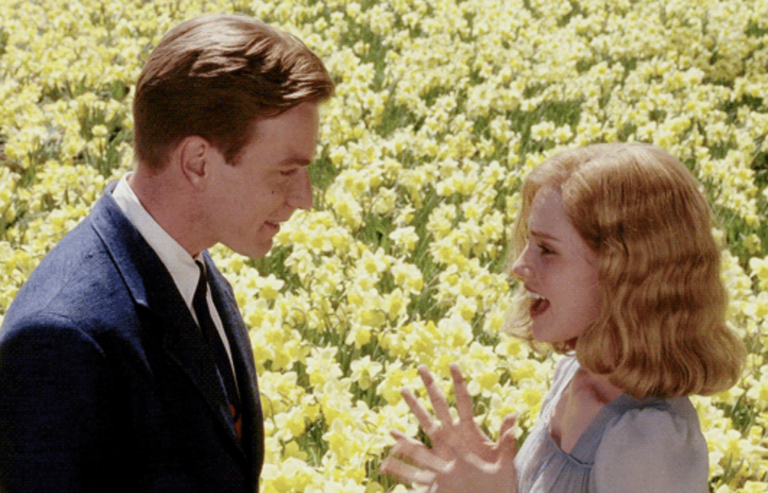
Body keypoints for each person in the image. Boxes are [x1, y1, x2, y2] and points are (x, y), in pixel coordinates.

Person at [0, 13, 333, 493]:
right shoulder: (61, 339)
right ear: (198, 162)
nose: (305, 198)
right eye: (286, 172)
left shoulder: (192, 268)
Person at [380, 143, 746, 492]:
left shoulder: (649, 443)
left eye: (546, 249)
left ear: (622, 273)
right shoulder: (575, 375)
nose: (519, 266)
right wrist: (477, 478)